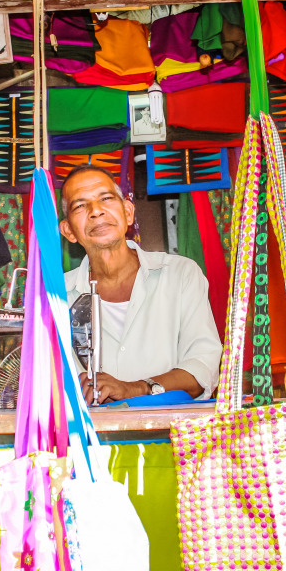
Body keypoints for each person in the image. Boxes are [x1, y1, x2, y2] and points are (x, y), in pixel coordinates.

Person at [59, 165, 222, 404]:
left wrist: (136, 388)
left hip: (172, 434)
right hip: (92, 437)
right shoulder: (56, 296)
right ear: (69, 231)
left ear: (127, 212)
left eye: (106, 198)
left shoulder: (180, 274)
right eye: (80, 206)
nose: (96, 211)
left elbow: (203, 367)